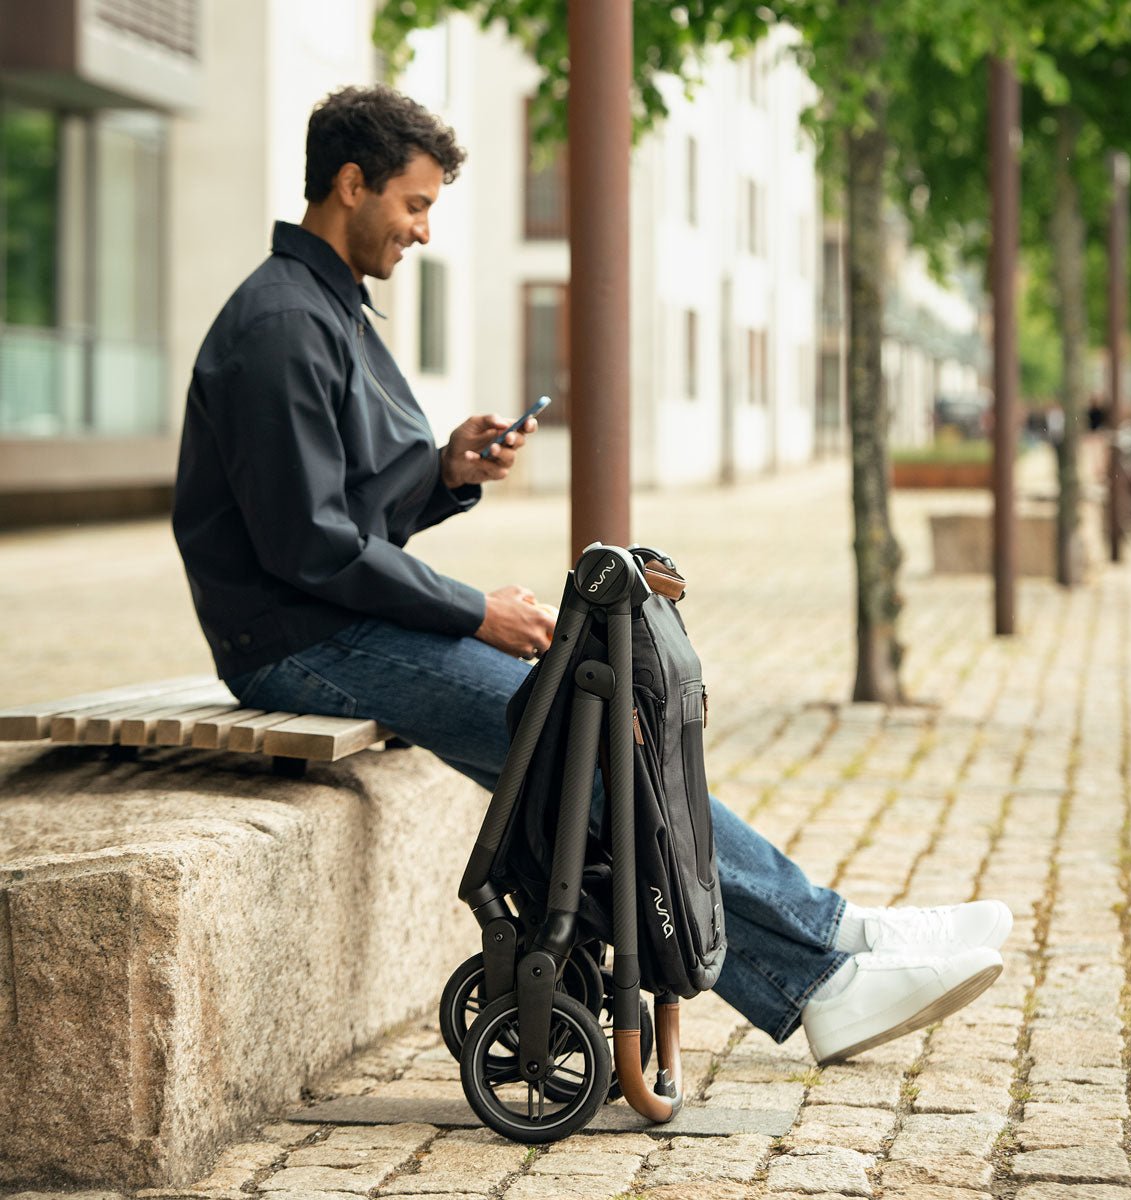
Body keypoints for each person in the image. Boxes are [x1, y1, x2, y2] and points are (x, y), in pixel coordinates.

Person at [173, 85, 1010, 1066]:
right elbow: (310, 549)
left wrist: (446, 467)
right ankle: (826, 964)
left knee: (597, 739)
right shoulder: (282, 324)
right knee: (582, 742)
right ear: (350, 185)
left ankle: (834, 942)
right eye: (414, 204)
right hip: (296, 644)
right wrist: (474, 611)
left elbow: (346, 514)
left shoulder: (330, 308)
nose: (425, 231)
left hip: (332, 622)